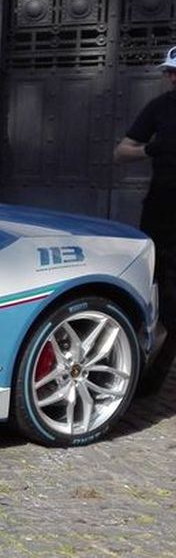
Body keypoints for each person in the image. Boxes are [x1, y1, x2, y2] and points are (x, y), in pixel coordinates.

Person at [112, 45, 176, 394]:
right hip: (162, 212)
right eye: (168, 71)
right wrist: (150, 149)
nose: (169, 77)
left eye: (175, 72)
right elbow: (120, 152)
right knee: (157, 290)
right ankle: (148, 377)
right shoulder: (159, 108)